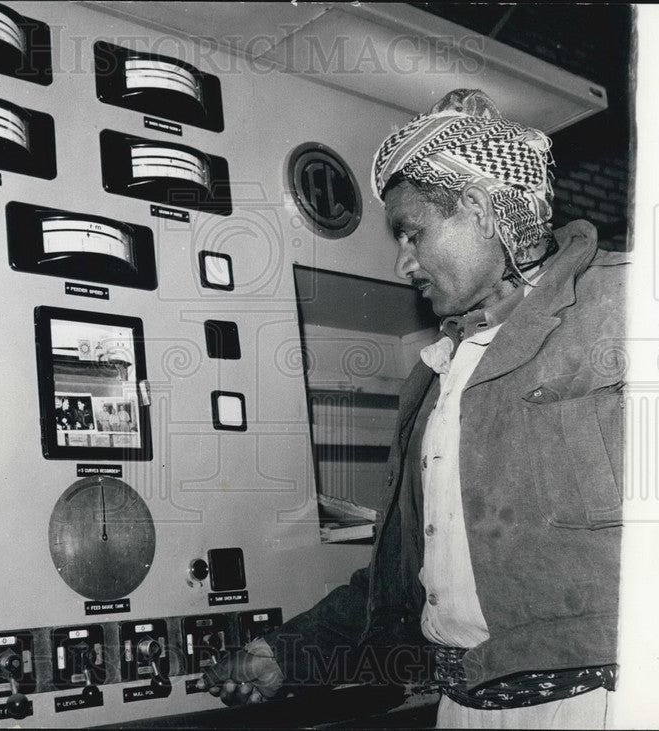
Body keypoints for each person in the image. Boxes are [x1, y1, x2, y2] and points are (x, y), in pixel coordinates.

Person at [198, 89, 626, 729]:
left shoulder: (630, 307)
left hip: (604, 703)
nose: (403, 262)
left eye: (412, 232)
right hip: (462, 706)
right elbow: (408, 579)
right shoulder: (438, 375)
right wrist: (294, 653)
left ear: (479, 208)